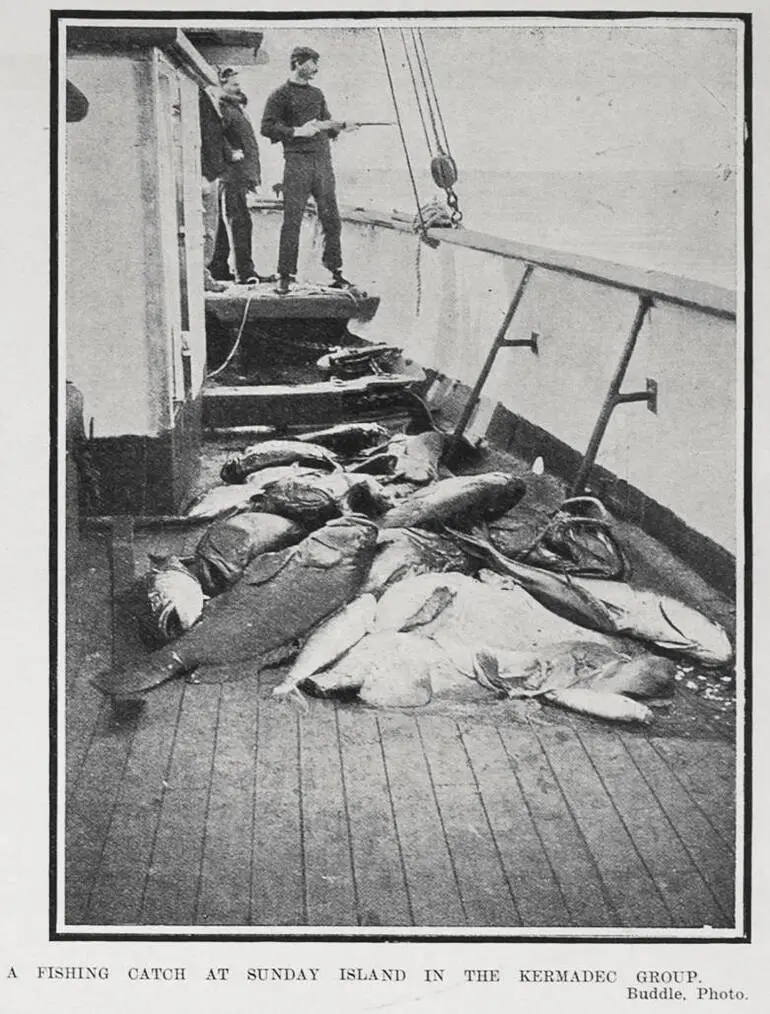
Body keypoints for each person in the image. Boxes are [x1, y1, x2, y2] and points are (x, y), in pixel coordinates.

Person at [261, 46, 359, 295]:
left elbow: (326, 122)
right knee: (291, 220)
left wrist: (342, 127)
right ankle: (285, 276)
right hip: (297, 164)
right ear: (297, 63)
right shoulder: (280, 95)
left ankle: (335, 272)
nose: (316, 67)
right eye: (312, 62)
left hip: (323, 164)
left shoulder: (317, 93)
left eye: (317, 62)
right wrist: (296, 131)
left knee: (332, 220)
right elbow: (267, 127)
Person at [209, 67, 274, 286]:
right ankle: (245, 273)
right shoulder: (222, 107)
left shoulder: (233, 107)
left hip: (238, 174)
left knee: (226, 221)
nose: (239, 88)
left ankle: (218, 267)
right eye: (235, 84)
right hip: (232, 173)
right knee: (239, 222)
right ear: (222, 85)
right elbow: (213, 134)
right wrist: (230, 153)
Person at [199, 84, 229, 292]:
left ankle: (204, 272)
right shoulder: (198, 95)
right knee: (204, 227)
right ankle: (201, 274)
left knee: (211, 227)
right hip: (204, 174)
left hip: (212, 172)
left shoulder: (207, 96)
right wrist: (201, 172)